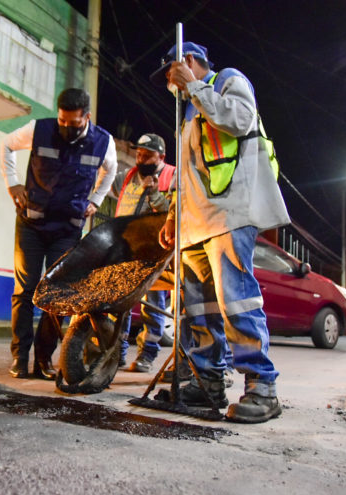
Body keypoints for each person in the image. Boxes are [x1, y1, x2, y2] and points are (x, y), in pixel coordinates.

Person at [152, 42, 290, 423]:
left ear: (189, 63)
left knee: (237, 303)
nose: (170, 85)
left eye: (171, 76)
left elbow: (239, 120)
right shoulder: (188, 113)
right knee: (198, 310)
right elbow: (185, 174)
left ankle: (262, 387)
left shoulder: (226, 81)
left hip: (229, 216)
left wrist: (194, 88)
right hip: (193, 226)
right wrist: (172, 217)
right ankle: (205, 382)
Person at [0, 88, 117, 380]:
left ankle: (44, 359)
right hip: (32, 225)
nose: (65, 128)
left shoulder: (103, 141)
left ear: (86, 117)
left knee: (57, 296)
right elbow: (6, 145)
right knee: (24, 291)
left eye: (73, 124)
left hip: (67, 229)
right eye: (62, 122)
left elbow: (110, 171)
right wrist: (12, 184)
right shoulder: (40, 129)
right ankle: (20, 357)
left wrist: (97, 200)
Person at [108, 133, 175, 372]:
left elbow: (173, 212)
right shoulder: (126, 176)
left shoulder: (172, 176)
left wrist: (155, 194)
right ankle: (117, 352)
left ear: (161, 156)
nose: (142, 158)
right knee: (120, 304)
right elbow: (106, 183)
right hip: (126, 249)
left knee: (151, 305)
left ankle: (147, 355)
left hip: (155, 251)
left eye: (148, 155)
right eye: (139, 153)